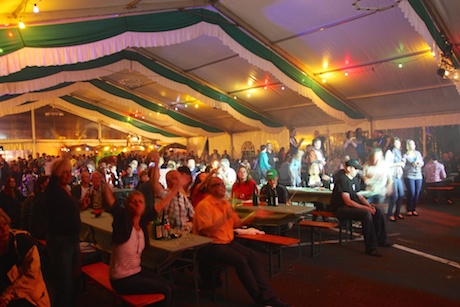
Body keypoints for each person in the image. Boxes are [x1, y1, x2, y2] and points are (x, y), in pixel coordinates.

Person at [193, 177, 291, 307]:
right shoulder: (204, 206)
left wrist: (254, 216)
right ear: (210, 189)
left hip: (226, 241)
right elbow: (206, 231)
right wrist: (224, 217)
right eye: (218, 185)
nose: (222, 187)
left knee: (254, 257)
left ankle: (269, 296)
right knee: (240, 260)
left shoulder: (225, 203)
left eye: (223, 184)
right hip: (211, 244)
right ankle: (261, 299)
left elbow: (237, 223)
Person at [102, 187, 175, 307]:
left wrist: (176, 188)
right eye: (133, 201)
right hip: (121, 279)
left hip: (136, 271)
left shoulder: (142, 222)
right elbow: (111, 203)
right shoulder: (122, 221)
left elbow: (160, 205)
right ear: (127, 205)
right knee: (166, 290)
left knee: (172, 287)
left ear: (144, 206)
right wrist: (104, 183)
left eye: (140, 201)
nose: (137, 204)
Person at [44, 157, 88, 307]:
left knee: (74, 279)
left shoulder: (65, 188)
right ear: (58, 173)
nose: (69, 175)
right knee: (65, 284)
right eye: (65, 172)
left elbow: (69, 209)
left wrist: (81, 205)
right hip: (61, 241)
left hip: (71, 239)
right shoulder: (53, 189)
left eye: (70, 172)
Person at [330, 159, 392, 257]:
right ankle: (371, 247)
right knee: (366, 214)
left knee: (377, 211)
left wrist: (369, 206)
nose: (357, 171)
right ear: (348, 168)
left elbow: (360, 196)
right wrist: (366, 208)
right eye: (355, 168)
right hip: (341, 208)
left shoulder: (354, 180)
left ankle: (381, 240)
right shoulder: (343, 180)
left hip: (349, 207)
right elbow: (347, 201)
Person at [0, 210, 51, 307]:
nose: (4, 230)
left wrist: (6, 295)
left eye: (5, 224)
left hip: (30, 297)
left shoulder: (23, 242)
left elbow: (31, 276)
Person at [385, 138, 406, 221]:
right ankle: (390, 213)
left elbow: (402, 164)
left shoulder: (400, 153)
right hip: (392, 175)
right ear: (393, 144)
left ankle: (397, 212)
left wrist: (402, 163)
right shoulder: (389, 152)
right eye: (397, 143)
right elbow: (387, 164)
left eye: (399, 143)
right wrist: (398, 164)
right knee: (395, 195)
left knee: (401, 194)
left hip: (399, 175)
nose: (398, 144)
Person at [403, 139, 424, 216]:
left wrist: (419, 163)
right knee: (412, 192)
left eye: (414, 144)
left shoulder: (418, 153)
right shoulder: (405, 155)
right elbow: (404, 166)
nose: (413, 145)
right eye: (411, 144)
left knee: (417, 193)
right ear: (408, 146)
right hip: (409, 175)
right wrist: (412, 164)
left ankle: (413, 209)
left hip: (418, 175)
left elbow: (422, 162)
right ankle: (409, 208)